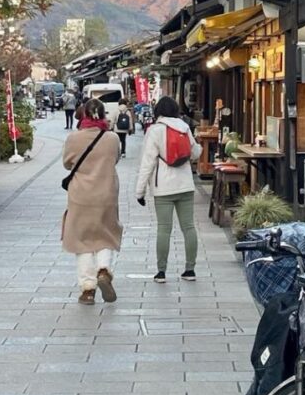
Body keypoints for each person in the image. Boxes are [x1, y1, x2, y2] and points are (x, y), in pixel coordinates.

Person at [135, 96, 203, 283]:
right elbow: (195, 152)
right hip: (185, 185)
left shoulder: (154, 131)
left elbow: (147, 163)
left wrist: (139, 192)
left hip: (163, 188)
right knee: (188, 227)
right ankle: (190, 270)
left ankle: (161, 272)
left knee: (164, 229)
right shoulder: (184, 127)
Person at [62, 98, 123, 305]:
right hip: (106, 193)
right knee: (106, 233)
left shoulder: (73, 138)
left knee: (83, 240)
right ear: (104, 113)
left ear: (84, 115)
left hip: (80, 195)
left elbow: (67, 163)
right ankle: (104, 270)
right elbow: (115, 159)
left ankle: (88, 290)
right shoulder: (112, 138)